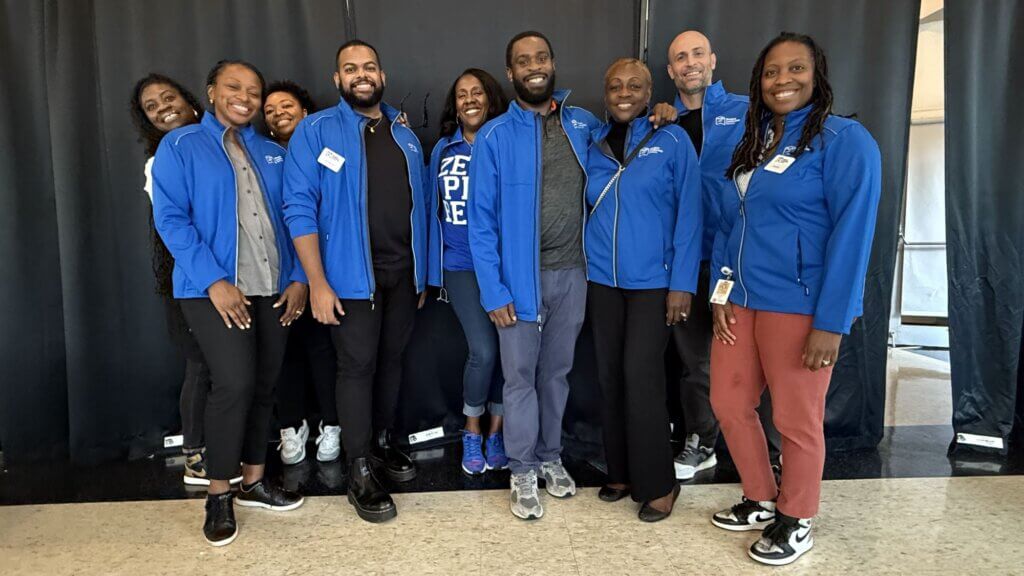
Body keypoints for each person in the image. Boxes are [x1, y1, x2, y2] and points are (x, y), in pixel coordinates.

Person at [469, 31, 678, 520]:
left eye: (541, 57)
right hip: (517, 281)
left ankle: (549, 456)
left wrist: (663, 114)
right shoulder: (496, 136)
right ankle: (522, 469)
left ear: (554, 63)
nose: (534, 66)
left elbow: (629, 133)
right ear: (511, 73)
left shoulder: (583, 124)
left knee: (556, 373)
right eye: (523, 61)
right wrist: (493, 289)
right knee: (518, 378)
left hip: (575, 274)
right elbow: (480, 223)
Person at [707, 33, 881, 566]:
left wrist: (832, 321)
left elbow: (853, 235)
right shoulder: (755, 138)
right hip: (742, 298)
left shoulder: (844, 141)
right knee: (729, 403)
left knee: (795, 418)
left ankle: (797, 516)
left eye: (795, 69)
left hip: (800, 305)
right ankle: (761, 496)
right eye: (771, 72)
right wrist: (720, 287)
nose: (783, 80)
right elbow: (730, 221)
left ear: (816, 73)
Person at [153, 60, 308, 546]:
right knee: (234, 383)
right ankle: (219, 491)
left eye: (253, 90)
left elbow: (294, 216)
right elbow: (172, 219)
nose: (245, 96)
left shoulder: (271, 151)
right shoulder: (180, 145)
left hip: (272, 286)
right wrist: (214, 280)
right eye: (233, 87)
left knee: (264, 384)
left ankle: (254, 481)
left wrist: (300, 276)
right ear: (211, 91)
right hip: (213, 290)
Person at [283, 40, 430, 523]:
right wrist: (317, 282)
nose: (361, 74)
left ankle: (383, 443)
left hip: (403, 275)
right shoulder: (316, 129)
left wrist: (423, 271)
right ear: (338, 79)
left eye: (369, 66)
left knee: (391, 363)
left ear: (382, 74)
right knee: (357, 368)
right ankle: (359, 466)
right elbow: (298, 208)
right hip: (348, 281)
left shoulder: (404, 133)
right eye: (351, 68)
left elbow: (419, 206)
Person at [584, 58, 702, 522]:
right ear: (605, 92)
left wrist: (682, 284)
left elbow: (690, 216)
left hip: (655, 284)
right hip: (601, 281)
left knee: (642, 378)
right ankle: (621, 471)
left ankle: (659, 483)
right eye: (615, 85)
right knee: (609, 376)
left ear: (651, 91)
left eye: (635, 85)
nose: (624, 92)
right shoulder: (592, 141)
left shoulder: (671, 139)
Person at [664, 30, 782, 481]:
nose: (690, 63)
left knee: (759, 358)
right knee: (695, 360)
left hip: (740, 258)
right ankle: (702, 441)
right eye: (680, 57)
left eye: (697, 54)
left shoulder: (749, 112)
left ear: (712, 60)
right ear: (671, 70)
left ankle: (773, 450)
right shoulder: (663, 123)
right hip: (687, 263)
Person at [130, 73, 236, 486]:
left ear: (191, 100)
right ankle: (195, 456)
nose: (162, 108)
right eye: (151, 107)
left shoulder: (223, 142)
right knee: (202, 364)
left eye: (167, 97)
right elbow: (178, 227)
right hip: (196, 279)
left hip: (236, 273)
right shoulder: (162, 160)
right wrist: (212, 279)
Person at [427, 69, 510, 475]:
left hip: (506, 266)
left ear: (491, 98)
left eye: (477, 92)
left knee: (510, 352)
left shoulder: (507, 143)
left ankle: (497, 431)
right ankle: (472, 430)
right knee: (484, 350)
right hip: (460, 265)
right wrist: (429, 273)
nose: (470, 99)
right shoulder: (443, 149)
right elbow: (429, 212)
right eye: (461, 94)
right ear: (455, 104)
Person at [263, 81, 342, 465]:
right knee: (283, 354)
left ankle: (332, 422)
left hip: (320, 269)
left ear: (306, 110)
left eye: (286, 105)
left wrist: (307, 277)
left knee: (323, 349)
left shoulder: (326, 151)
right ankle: (291, 425)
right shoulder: (260, 155)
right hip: (272, 276)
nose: (279, 113)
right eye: (271, 110)